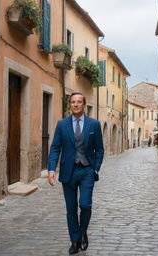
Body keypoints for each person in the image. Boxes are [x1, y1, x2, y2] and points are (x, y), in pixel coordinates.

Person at [47, 92, 104, 254]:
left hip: (87, 170)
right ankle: (75, 240)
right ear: (70, 105)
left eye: (79, 102)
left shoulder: (94, 124)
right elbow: (55, 148)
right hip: (68, 171)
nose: (76, 104)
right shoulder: (62, 124)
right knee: (71, 208)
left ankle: (83, 230)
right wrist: (51, 169)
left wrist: (95, 168)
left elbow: (99, 149)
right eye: (73, 102)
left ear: (84, 105)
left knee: (85, 205)